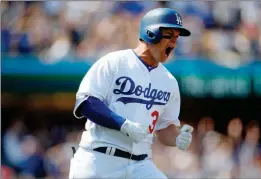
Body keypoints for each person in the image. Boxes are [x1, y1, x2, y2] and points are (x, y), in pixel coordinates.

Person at [69, 8, 194, 179]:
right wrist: (123, 125)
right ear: (151, 33)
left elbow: (164, 128)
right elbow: (86, 103)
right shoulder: (115, 62)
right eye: (169, 35)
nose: (174, 42)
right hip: (100, 159)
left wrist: (177, 138)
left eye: (176, 37)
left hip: (140, 164)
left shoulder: (169, 81)